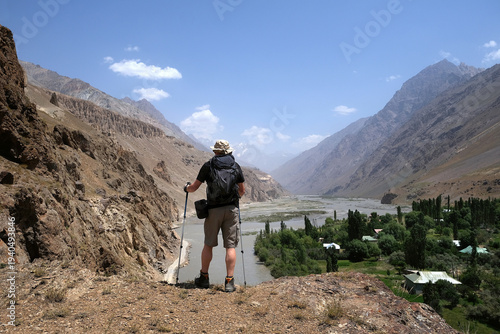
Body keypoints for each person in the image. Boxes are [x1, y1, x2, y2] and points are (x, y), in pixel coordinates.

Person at [184, 139, 245, 292]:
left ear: (215, 151)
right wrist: (233, 200)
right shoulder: (235, 166)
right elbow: (242, 190)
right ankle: (229, 282)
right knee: (230, 246)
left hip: (213, 210)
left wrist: (186, 188)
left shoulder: (208, 165)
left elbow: (194, 187)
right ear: (228, 151)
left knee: (208, 244)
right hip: (231, 210)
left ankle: (204, 278)